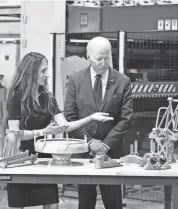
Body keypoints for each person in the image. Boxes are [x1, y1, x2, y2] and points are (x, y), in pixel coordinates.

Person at [4, 52, 113, 209]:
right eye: (43, 71)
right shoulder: (16, 96)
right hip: (22, 161)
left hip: (43, 161)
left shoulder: (47, 97)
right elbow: (14, 134)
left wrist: (91, 117)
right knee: (18, 204)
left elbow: (65, 125)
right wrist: (43, 132)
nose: (47, 75)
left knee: (52, 204)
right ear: (31, 72)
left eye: (47, 70)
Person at [64, 36, 133, 209]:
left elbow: (126, 119)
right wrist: (90, 143)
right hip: (83, 151)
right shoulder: (75, 80)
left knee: (113, 201)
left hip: (112, 152)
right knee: (85, 201)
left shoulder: (123, 81)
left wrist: (105, 145)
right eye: (99, 59)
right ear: (88, 57)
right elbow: (70, 117)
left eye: (107, 58)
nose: (103, 62)